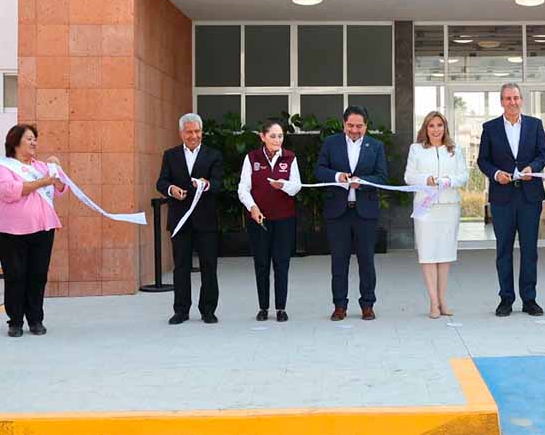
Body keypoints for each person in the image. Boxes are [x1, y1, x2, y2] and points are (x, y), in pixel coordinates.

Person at [477, 83, 545, 317]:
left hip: (530, 197)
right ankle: (506, 299)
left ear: (522, 100)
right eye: (508, 98)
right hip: (502, 197)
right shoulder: (490, 128)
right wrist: (496, 174)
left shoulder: (535, 125)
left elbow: (543, 154)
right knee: (503, 250)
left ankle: (529, 299)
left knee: (530, 250)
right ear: (501, 102)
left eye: (516, 98)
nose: (512, 102)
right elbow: (483, 160)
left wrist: (533, 168)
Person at [315, 105, 389, 321]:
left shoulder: (376, 146)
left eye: (359, 126)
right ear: (343, 124)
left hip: (365, 212)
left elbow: (382, 176)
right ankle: (339, 306)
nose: (354, 130)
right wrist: (337, 176)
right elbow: (319, 170)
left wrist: (362, 182)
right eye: (350, 125)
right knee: (339, 262)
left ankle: (368, 305)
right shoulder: (331, 143)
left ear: (366, 126)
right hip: (338, 213)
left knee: (366, 261)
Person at [0, 124, 66, 338]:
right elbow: (8, 191)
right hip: (11, 231)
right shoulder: (3, 167)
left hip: (43, 228)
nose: (34, 143)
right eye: (29, 139)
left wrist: (57, 169)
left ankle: (36, 319)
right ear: (15, 142)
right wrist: (42, 181)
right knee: (15, 276)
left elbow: (60, 188)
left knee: (38, 275)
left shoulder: (41, 166)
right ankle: (15, 321)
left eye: (35, 139)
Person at [157, 113, 225, 325]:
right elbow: (161, 182)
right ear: (181, 133)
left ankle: (208, 310)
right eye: (189, 132)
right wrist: (172, 189)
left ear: (201, 132)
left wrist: (205, 184)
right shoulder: (170, 155)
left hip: (206, 221)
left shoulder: (213, 155)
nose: (193, 136)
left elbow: (218, 183)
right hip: (180, 221)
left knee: (209, 266)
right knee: (181, 267)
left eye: (197, 131)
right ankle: (181, 310)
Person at [404, 111, 468, 319]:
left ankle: (442, 300)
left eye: (439, 125)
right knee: (428, 254)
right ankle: (433, 302)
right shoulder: (416, 149)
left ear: (445, 127)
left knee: (445, 255)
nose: (435, 129)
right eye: (431, 125)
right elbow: (409, 176)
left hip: (449, 207)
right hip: (425, 207)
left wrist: (449, 180)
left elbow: (463, 176)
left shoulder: (455, 150)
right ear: (425, 128)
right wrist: (426, 179)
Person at [237, 119, 302, 322]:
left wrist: (283, 185)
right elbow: (243, 188)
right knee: (261, 263)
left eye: (280, 136)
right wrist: (252, 207)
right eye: (272, 136)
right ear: (263, 137)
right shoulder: (252, 158)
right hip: (259, 219)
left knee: (282, 263)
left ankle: (281, 308)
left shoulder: (290, 157)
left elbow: (297, 186)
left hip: (284, 219)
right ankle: (263, 307)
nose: (277, 140)